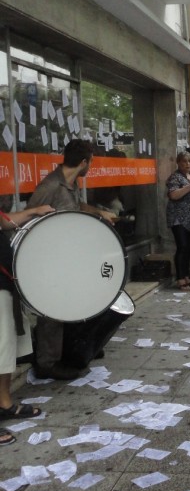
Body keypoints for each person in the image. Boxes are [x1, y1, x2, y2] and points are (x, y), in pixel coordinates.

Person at [28, 139, 116, 379]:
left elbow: (76, 206)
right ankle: (47, 363)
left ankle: (71, 348)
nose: (91, 168)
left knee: (72, 303)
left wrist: (100, 213)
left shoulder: (70, 184)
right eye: (92, 163)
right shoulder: (50, 187)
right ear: (84, 162)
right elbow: (29, 220)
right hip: (50, 258)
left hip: (69, 256)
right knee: (52, 310)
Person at [0, 204, 54, 433]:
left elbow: (3, 220)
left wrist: (33, 212)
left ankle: (4, 403)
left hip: (4, 284)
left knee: (5, 349)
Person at [166, 151, 190, 290]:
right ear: (178, 163)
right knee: (182, 246)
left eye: (189, 161)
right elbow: (174, 195)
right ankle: (180, 278)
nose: (187, 164)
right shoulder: (174, 178)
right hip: (178, 217)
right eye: (184, 162)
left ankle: (186, 275)